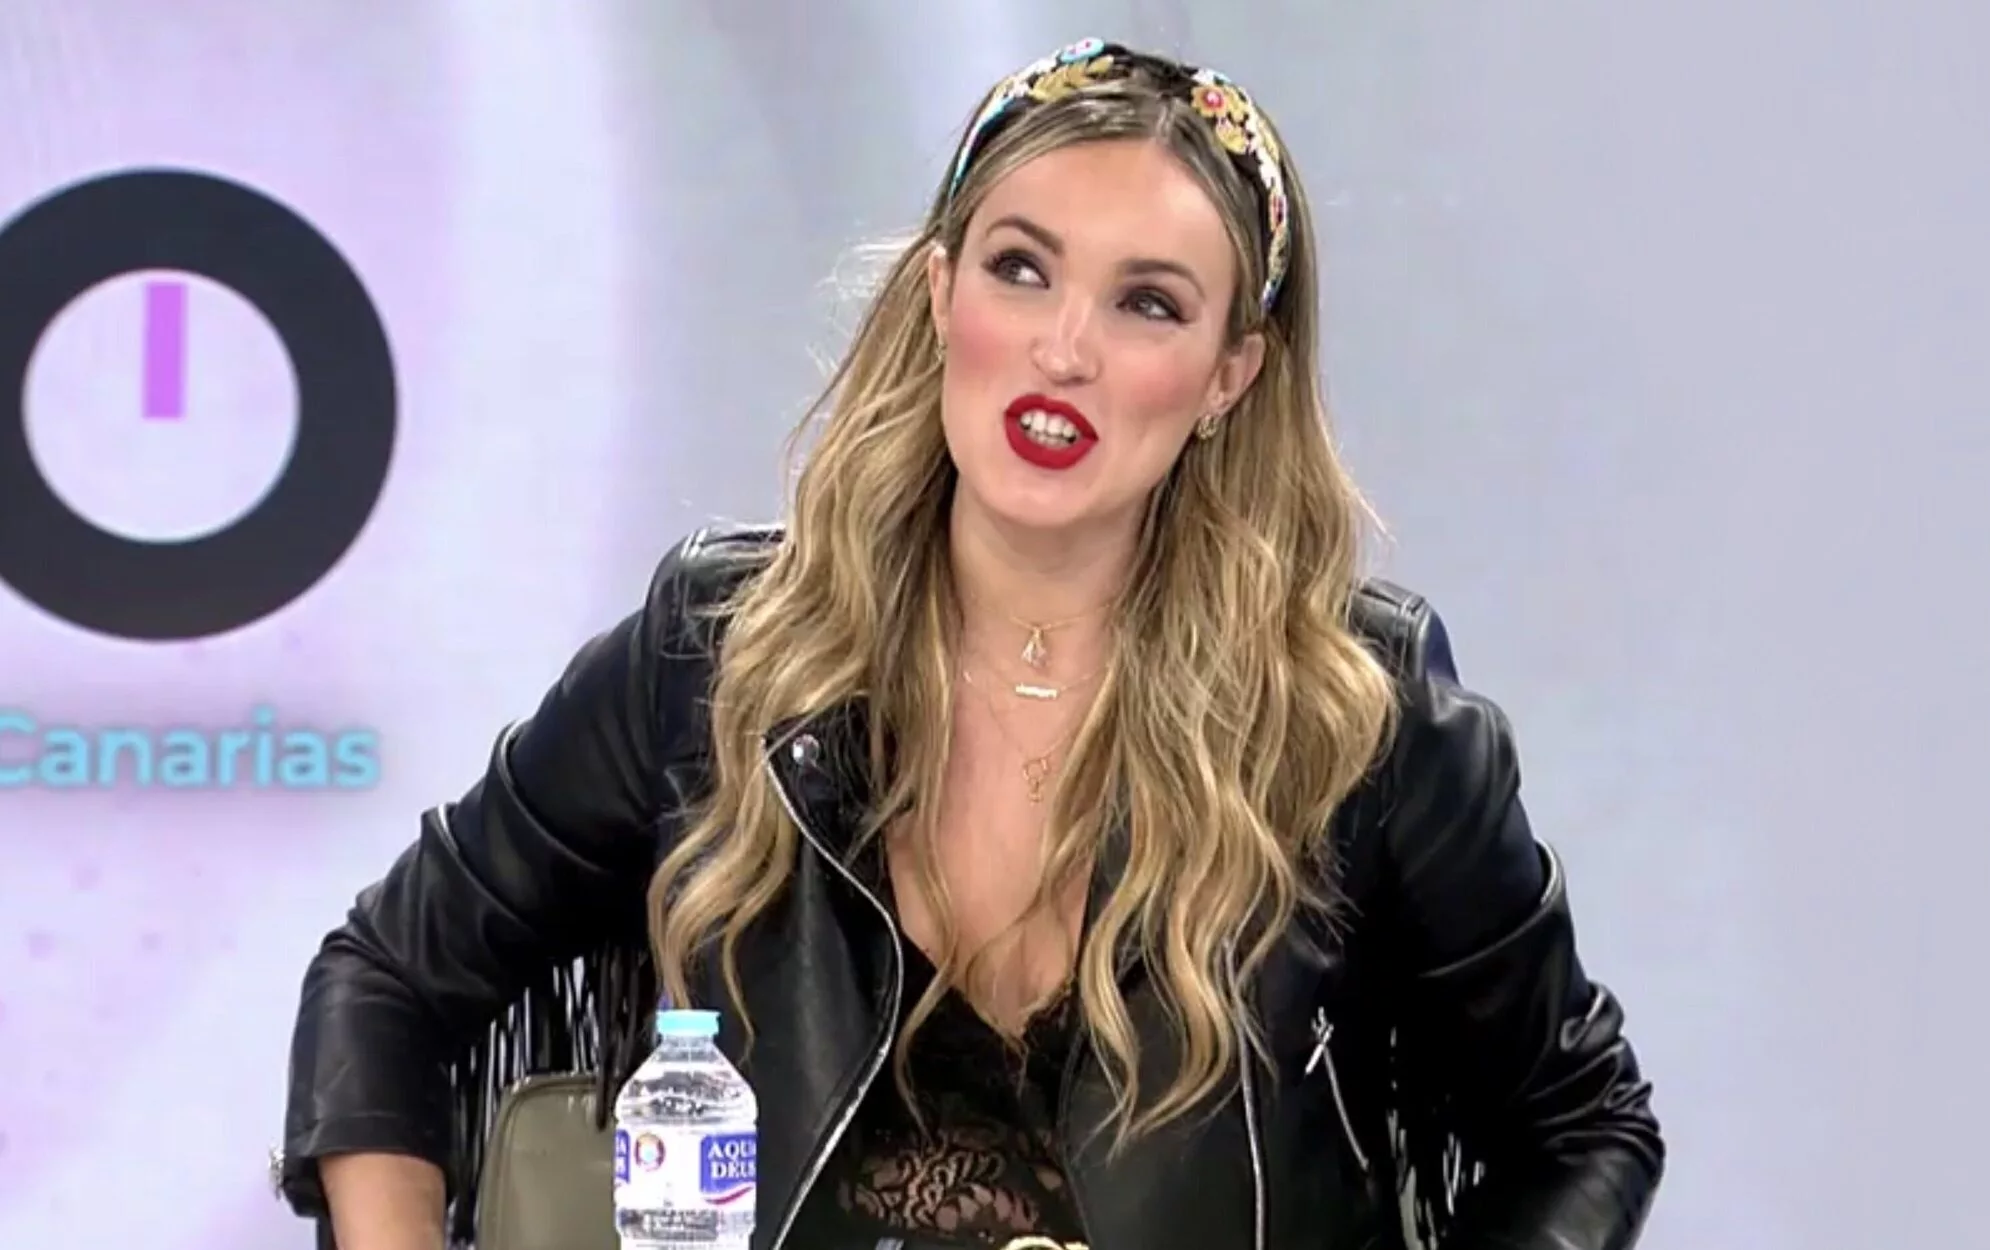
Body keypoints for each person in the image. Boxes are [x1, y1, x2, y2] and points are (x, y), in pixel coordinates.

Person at [277, 38, 1663, 1250]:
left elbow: (1582, 1127)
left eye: (1148, 303)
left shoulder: (1356, 719)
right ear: (943, 295)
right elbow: (386, 980)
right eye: (1021, 270)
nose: (1064, 349)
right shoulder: (716, 657)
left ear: (1229, 375)